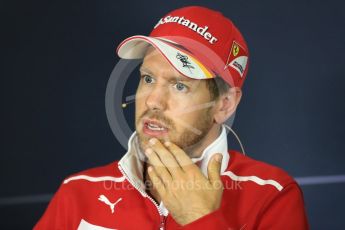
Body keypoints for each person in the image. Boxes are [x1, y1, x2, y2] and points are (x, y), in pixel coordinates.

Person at [34, 6, 309, 230]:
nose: (152, 101)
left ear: (224, 105)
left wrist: (201, 219)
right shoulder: (78, 193)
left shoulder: (271, 195)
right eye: (148, 78)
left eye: (180, 85)